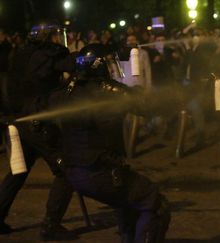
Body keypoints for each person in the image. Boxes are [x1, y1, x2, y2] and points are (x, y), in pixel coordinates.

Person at [57, 43, 170, 242]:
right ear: (98, 66)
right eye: (108, 63)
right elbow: (149, 108)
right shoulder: (110, 92)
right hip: (99, 171)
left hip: (73, 171)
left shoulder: (70, 90)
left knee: (128, 202)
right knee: (155, 202)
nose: (111, 67)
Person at [0, 23, 76, 240]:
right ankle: (51, 224)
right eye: (54, 36)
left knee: (19, 171)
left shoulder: (19, 53)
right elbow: (71, 64)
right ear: (46, 37)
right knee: (66, 168)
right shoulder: (46, 55)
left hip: (18, 119)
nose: (57, 40)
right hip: (38, 122)